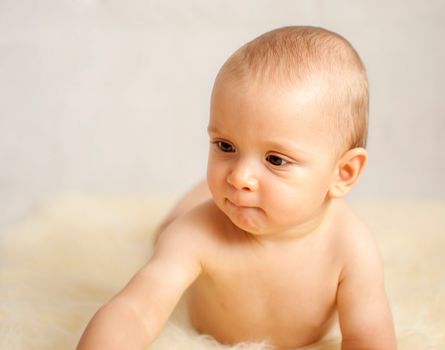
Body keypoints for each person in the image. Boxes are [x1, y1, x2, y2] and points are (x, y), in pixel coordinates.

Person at [77, 25, 397, 350]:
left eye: (275, 159)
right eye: (225, 146)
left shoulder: (350, 247)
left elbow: (366, 336)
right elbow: (136, 310)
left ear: (343, 173)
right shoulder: (197, 232)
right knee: (166, 234)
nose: (239, 176)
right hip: (196, 223)